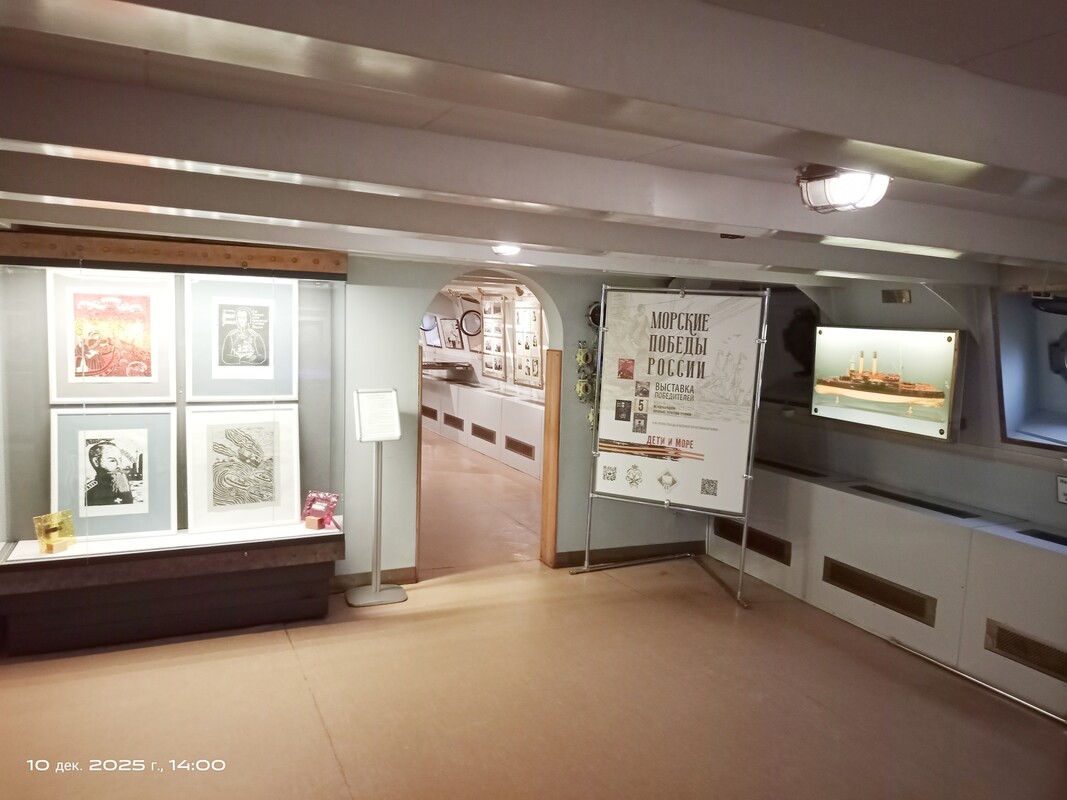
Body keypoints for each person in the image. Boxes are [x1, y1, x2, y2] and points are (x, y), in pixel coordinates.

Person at [85, 441, 134, 506]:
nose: (119, 465)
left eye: (120, 460)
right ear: (96, 462)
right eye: (112, 460)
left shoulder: (123, 484)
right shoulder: (88, 492)